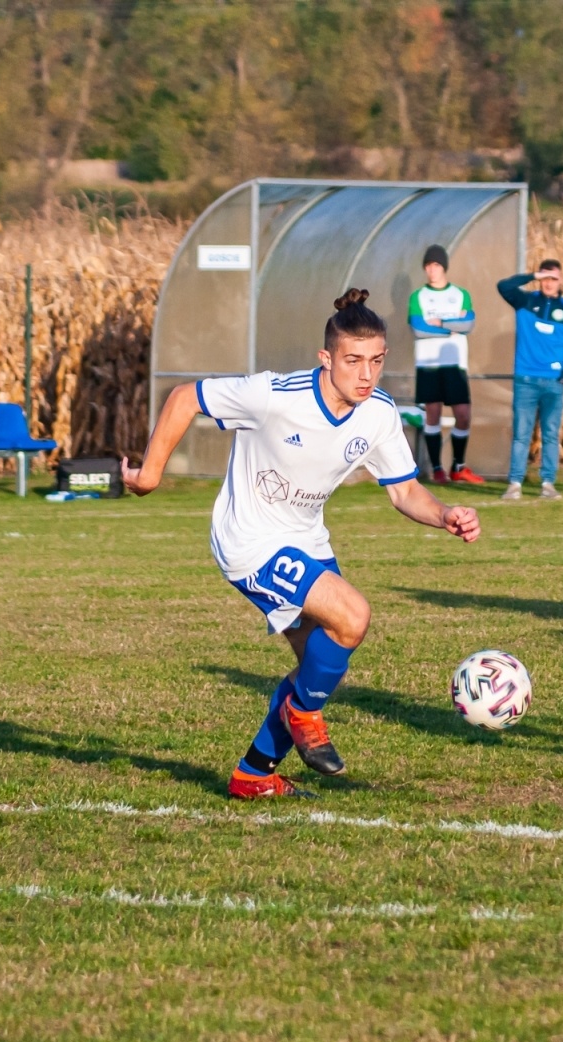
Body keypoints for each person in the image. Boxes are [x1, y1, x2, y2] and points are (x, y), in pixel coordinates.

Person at [123, 289, 480, 799]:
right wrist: (150, 475)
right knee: (352, 616)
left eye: (376, 361)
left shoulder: (377, 413)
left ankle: (253, 773)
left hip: (306, 540)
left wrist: (444, 513)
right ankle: (303, 714)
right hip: (250, 539)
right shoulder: (274, 395)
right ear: (326, 358)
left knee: (317, 661)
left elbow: (403, 489)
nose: (366, 374)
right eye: (353, 361)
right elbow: (185, 398)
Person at [497, 259, 563, 500]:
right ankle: (515, 483)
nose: (549, 283)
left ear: (561, 281)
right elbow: (503, 286)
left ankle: (548, 483)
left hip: (553, 383)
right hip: (526, 379)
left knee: (550, 434)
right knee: (521, 433)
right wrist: (532, 276)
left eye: (554, 278)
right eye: (545, 278)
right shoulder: (526, 301)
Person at [408, 244, 482, 484]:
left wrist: (437, 321)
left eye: (436, 265)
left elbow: (468, 325)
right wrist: (450, 326)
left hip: (455, 364)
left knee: (463, 414)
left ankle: (458, 466)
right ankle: (437, 469)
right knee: (433, 414)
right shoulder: (418, 296)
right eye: (428, 265)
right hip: (428, 364)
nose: (432, 270)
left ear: (444, 267)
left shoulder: (460, 294)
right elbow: (418, 328)